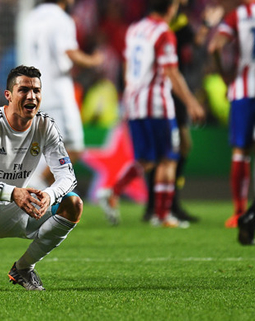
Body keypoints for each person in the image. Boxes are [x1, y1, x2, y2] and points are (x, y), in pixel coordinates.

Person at [0, 65, 82, 291]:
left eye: (37, 91)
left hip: (20, 206)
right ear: (8, 95)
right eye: (24, 90)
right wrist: (12, 192)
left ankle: (24, 268)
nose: (32, 96)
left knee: (74, 204)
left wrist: (50, 195)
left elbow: (67, 176)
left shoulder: (45, 125)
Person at [98, 0, 205, 227]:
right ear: (170, 8)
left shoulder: (135, 29)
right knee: (169, 158)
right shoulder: (164, 33)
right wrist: (192, 102)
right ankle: (163, 215)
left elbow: (127, 64)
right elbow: (172, 72)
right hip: (157, 104)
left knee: (146, 160)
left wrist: (130, 90)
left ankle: (112, 192)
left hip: (135, 102)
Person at [142, 0, 224, 223]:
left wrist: (206, 24)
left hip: (167, 89)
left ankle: (161, 204)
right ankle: (163, 205)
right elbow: (192, 46)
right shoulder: (165, 24)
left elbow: (194, 43)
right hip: (167, 89)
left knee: (171, 149)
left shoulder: (172, 22)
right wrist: (207, 24)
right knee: (171, 149)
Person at [20, 0, 103, 188]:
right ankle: (34, 187)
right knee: (73, 148)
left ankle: (35, 191)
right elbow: (69, 52)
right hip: (57, 93)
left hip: (33, 91)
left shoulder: (28, 19)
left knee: (46, 150)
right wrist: (94, 61)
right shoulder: (62, 18)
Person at [208, 0, 255, 228]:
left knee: (241, 150)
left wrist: (224, 75)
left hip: (243, 89)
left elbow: (214, 47)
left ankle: (240, 212)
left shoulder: (239, 15)